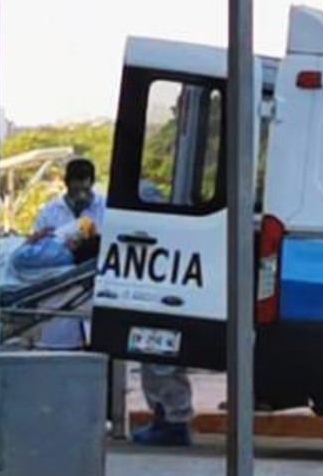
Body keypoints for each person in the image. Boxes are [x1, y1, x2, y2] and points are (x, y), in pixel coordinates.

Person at [132, 179, 194, 447]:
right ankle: (165, 419)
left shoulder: (161, 233)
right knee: (156, 366)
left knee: (162, 367)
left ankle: (172, 423)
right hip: (158, 303)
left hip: (163, 305)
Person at [28, 158, 107, 349]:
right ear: (66, 185)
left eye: (85, 190)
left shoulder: (105, 208)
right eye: (76, 190)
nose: (81, 196)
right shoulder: (50, 212)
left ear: (92, 184)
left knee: (95, 344)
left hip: (94, 280)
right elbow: (34, 247)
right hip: (59, 282)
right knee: (58, 341)